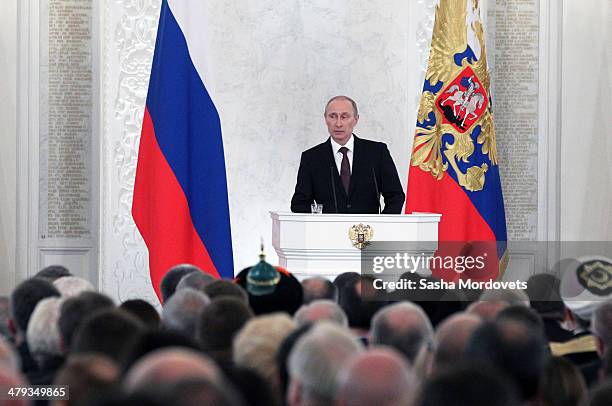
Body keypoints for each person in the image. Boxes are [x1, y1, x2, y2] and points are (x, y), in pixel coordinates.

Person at [290, 96, 405, 214]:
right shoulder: (311, 158)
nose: (338, 123)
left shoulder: (377, 153)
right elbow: (299, 203)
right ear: (325, 119)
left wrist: (382, 226)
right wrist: (318, 223)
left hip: (367, 231)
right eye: (333, 116)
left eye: (344, 117)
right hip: (327, 231)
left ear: (356, 119)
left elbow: (396, 196)